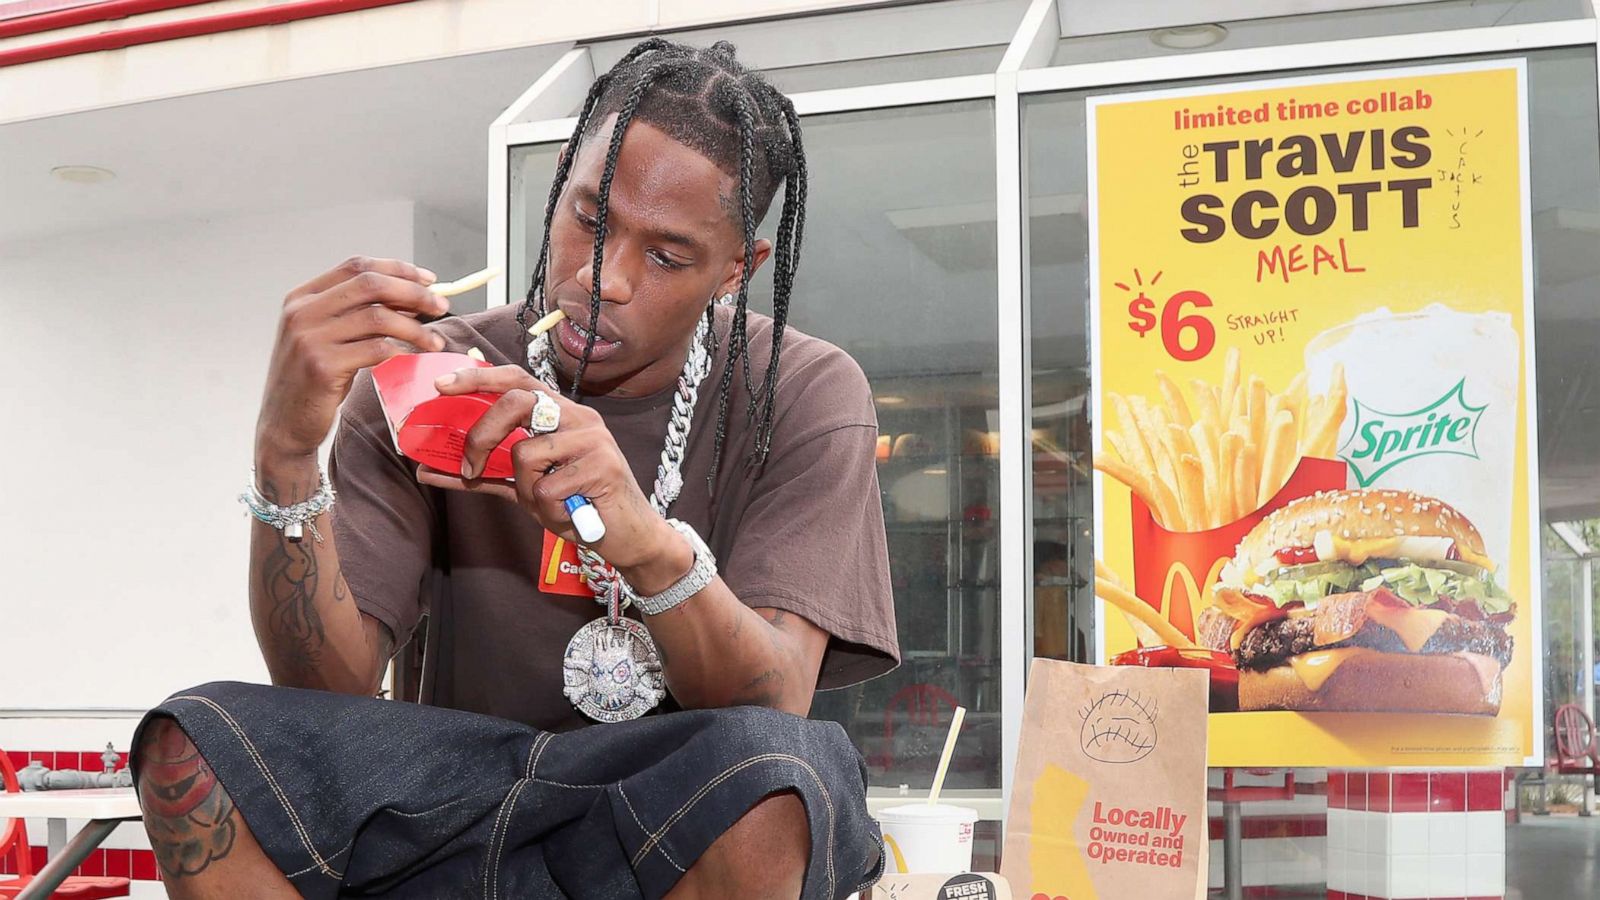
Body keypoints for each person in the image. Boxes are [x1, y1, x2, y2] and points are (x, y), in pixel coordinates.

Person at [131, 39, 898, 899]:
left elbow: (773, 697)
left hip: (663, 813)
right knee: (195, 739)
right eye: (589, 218)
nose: (602, 277)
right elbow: (325, 691)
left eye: (669, 257)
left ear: (736, 270)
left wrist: (642, 540)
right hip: (451, 803)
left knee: (779, 769)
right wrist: (284, 456)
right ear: (561, 180)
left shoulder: (802, 389)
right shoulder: (432, 373)